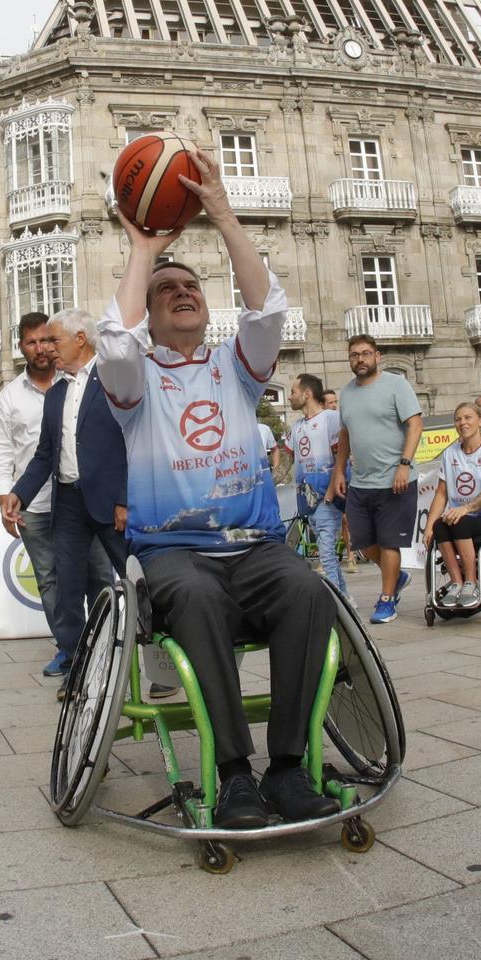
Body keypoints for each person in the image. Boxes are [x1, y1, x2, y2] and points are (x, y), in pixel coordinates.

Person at [98, 148, 342, 830]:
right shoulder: (134, 381)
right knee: (199, 595)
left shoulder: (238, 366)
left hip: (253, 547)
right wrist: (145, 248)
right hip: (176, 553)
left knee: (307, 587)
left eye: (192, 288)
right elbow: (114, 339)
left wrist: (222, 212)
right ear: (149, 312)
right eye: (166, 289)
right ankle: (236, 774)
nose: (182, 292)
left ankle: (289, 769)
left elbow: (266, 308)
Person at [2, 308, 129, 675]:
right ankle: (77, 663)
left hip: (110, 501)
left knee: (134, 577)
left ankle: (154, 656)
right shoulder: (56, 394)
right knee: (67, 588)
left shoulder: (114, 380)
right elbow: (45, 454)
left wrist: (124, 498)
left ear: (79, 339)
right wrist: (19, 494)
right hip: (68, 502)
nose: (49, 348)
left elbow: (132, 441)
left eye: (54, 339)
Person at [0, 311, 92, 677]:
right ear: (21, 348)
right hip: (34, 506)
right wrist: (7, 497)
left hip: (80, 502)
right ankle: (70, 650)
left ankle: (101, 652)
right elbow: (1, 452)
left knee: (96, 578)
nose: (42, 348)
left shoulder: (79, 383)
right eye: (32, 342)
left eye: (47, 340)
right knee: (50, 581)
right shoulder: (10, 396)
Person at [329, 335, 423, 625]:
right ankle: (397, 575)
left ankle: (386, 599)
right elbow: (345, 434)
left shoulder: (396, 384)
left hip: (395, 479)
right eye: (355, 354)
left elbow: (415, 424)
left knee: (389, 542)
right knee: (363, 543)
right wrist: (338, 471)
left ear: (377, 356)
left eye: (366, 353)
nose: (360, 359)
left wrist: (404, 465)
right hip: (361, 481)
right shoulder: (346, 393)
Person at [424, 401, 481, 607]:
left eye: (467, 417)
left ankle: (471, 581)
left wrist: (465, 508)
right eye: (458, 419)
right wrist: (428, 527)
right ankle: (456, 583)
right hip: (462, 517)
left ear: (480, 420)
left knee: (459, 521)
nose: (462, 422)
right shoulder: (450, 453)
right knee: (439, 526)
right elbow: (441, 493)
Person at [279, 374, 345, 599]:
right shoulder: (296, 426)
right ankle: (346, 599)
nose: (289, 397)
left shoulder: (331, 418)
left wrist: (330, 491)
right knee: (326, 554)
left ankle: (336, 603)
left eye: (293, 392)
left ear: (306, 394)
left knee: (326, 554)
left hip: (328, 497)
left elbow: (341, 456)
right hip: (306, 500)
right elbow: (287, 462)